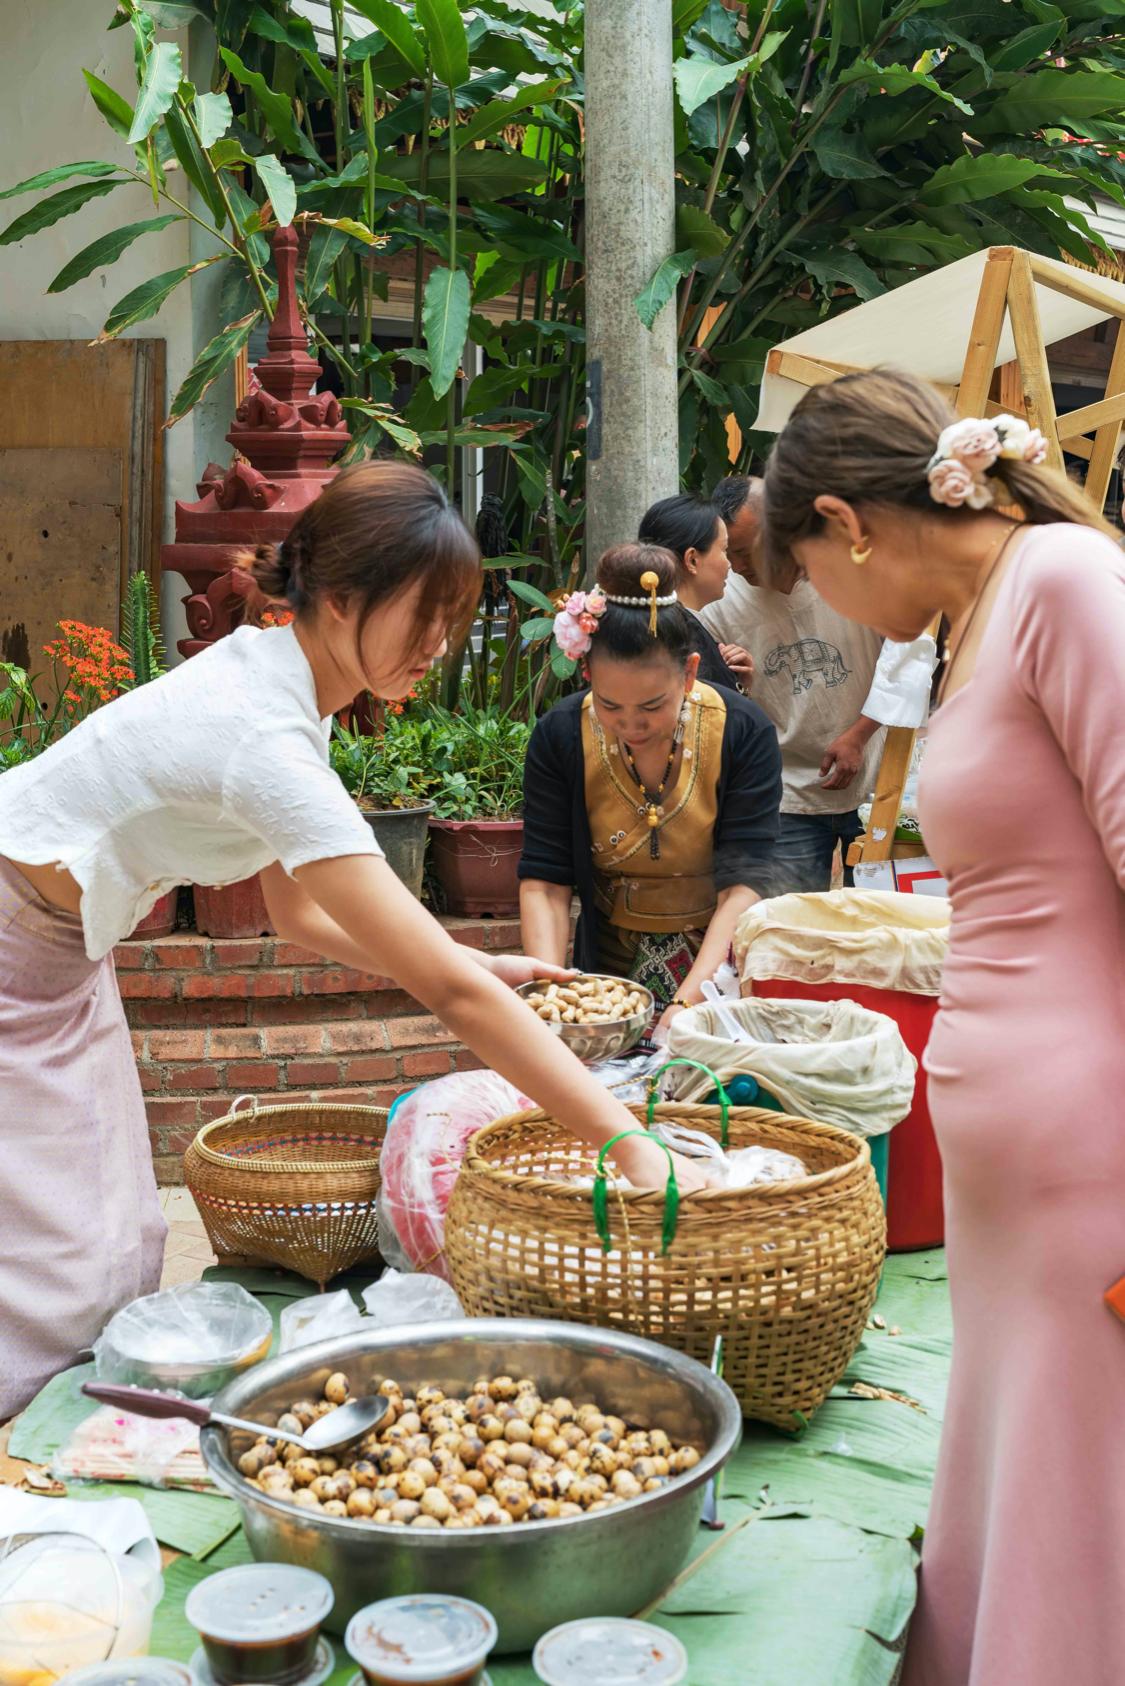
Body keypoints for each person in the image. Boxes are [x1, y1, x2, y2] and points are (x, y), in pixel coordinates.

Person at [0, 463, 708, 1420]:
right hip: (15, 939)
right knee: (59, 1259)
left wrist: (469, 958)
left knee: (113, 1230)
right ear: (338, 599)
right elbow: (450, 1004)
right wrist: (628, 1144)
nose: (438, 646)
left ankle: (70, 1427)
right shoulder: (266, 739)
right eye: (422, 616)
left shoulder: (290, 688)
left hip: (55, 942)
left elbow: (296, 916)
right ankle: (32, 1456)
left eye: (453, 619)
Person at [761, 368, 1125, 1686]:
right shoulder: (970, 620)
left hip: (1092, 1141)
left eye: (807, 569)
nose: (827, 611)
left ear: (845, 521)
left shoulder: (1066, 585)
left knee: (1076, 1475)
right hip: (1013, 1156)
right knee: (1013, 1449)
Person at [519, 542, 782, 1032]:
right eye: (610, 706)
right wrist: (553, 996)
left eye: (652, 706)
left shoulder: (744, 730)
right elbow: (546, 880)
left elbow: (747, 881)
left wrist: (687, 1007)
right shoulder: (560, 733)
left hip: (717, 967)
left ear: (690, 673)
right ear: (587, 673)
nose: (631, 725)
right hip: (606, 971)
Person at [704, 474, 884, 890]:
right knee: (791, 929)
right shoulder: (718, 597)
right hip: (786, 794)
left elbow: (907, 660)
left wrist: (859, 735)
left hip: (879, 779)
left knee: (882, 928)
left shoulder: (857, 564)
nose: (739, 566)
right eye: (731, 553)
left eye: (749, 552)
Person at [637, 494, 754, 691]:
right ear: (692, 560)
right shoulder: (680, 639)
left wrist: (738, 685)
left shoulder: (647, 623)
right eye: (724, 550)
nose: (730, 565)